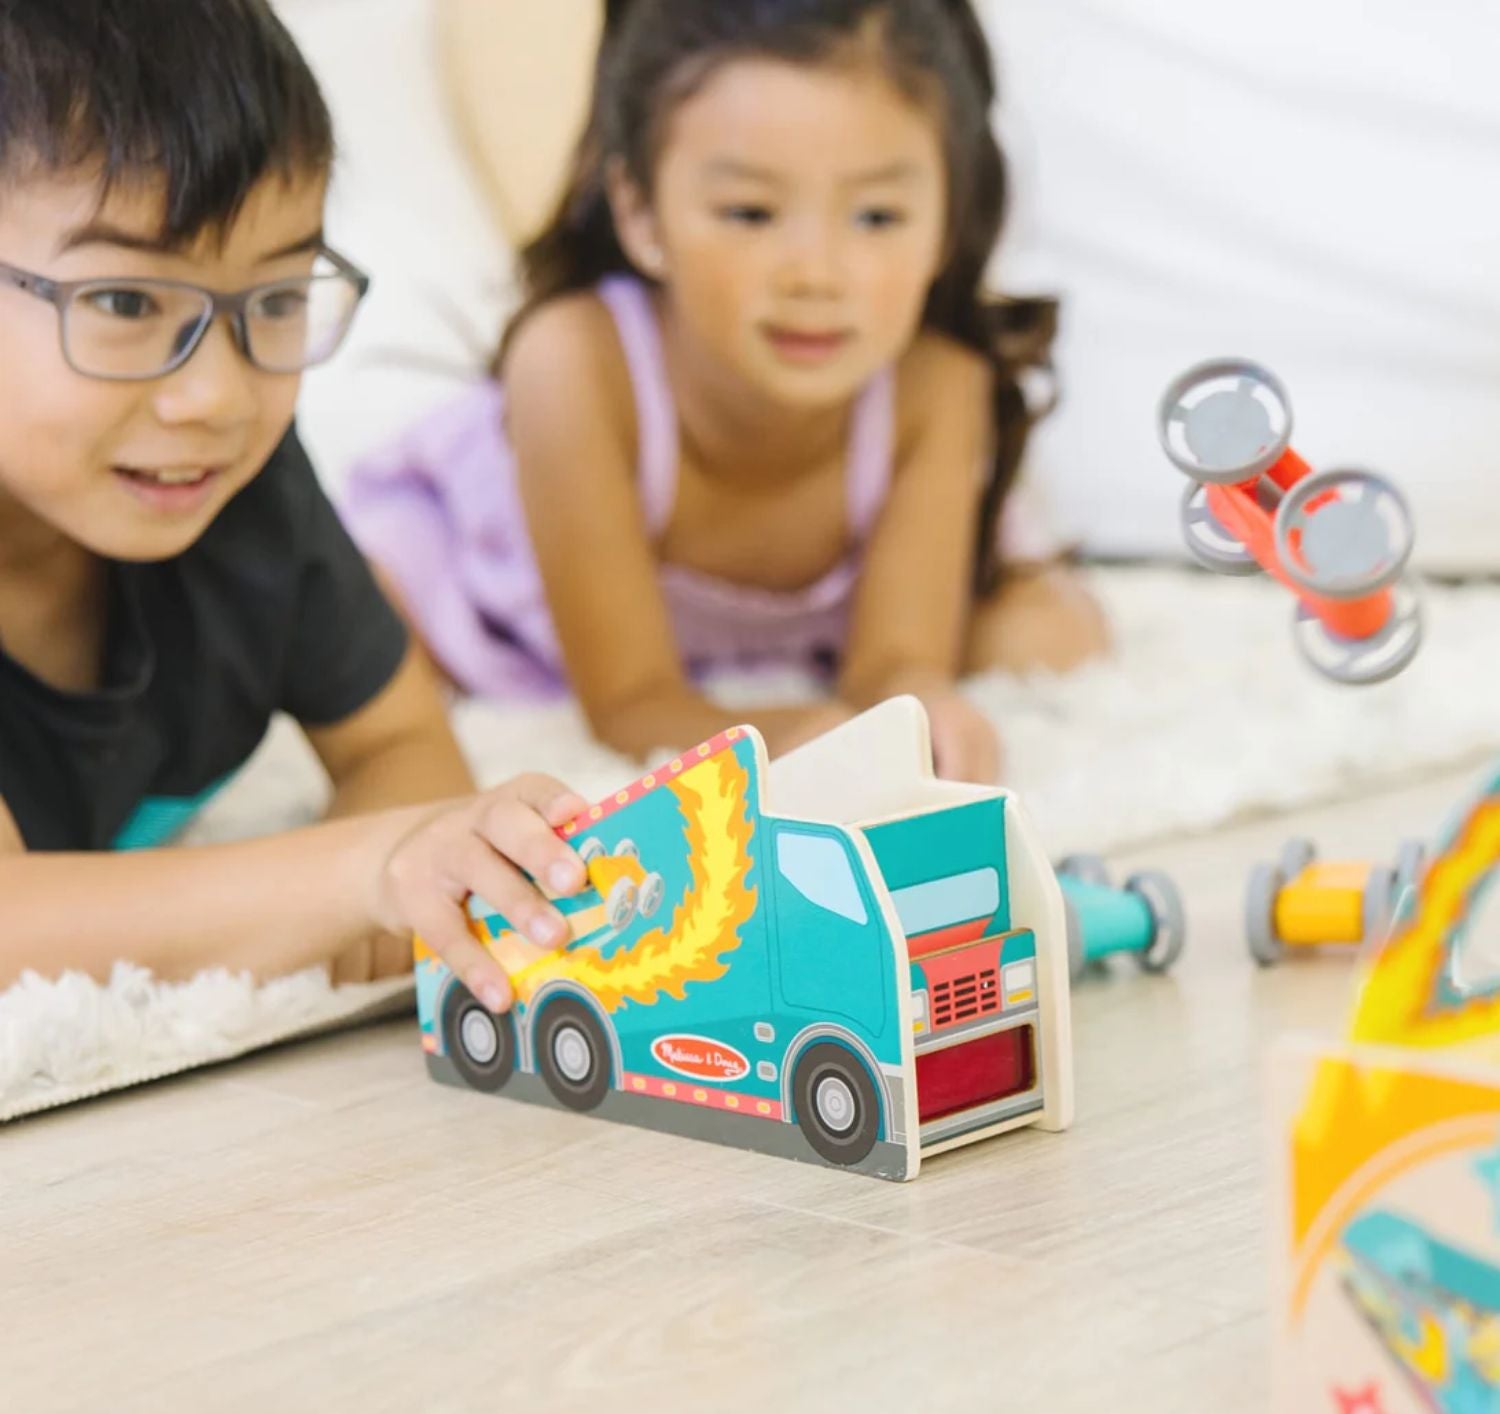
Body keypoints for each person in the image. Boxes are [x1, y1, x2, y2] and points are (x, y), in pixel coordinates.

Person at [344, 0, 1108, 785]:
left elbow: (896, 665)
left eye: (877, 216)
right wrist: (798, 737)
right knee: (360, 632)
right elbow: (633, 705)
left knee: (1056, 631)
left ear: (948, 221)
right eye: (751, 212)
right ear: (641, 215)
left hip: (776, 631)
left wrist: (920, 713)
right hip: (496, 594)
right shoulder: (576, 364)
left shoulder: (937, 382)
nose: (815, 274)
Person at [0, 0, 588, 1008]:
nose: (220, 396)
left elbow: (400, 740)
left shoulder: (244, 497)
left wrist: (415, 856)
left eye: (273, 301)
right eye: (128, 303)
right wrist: (360, 874)